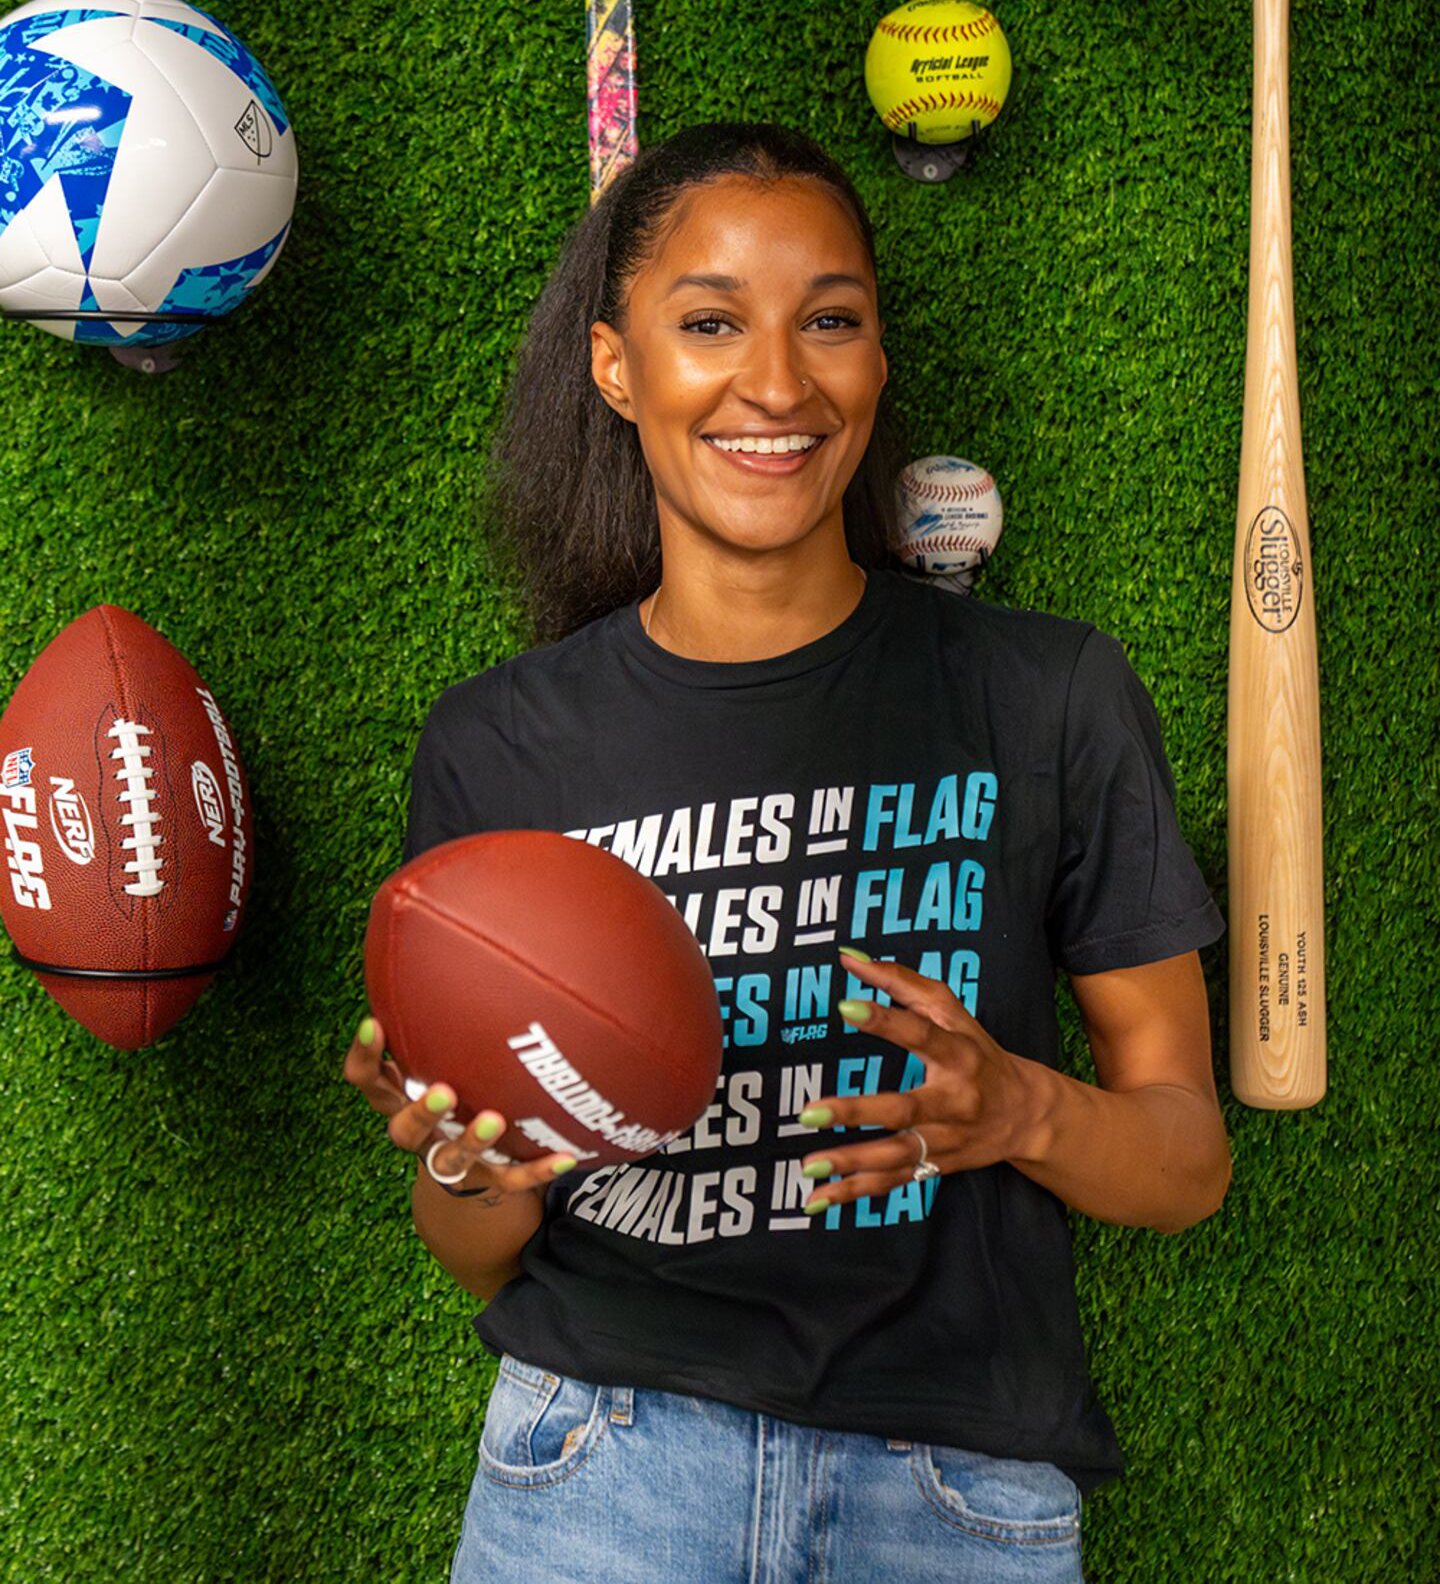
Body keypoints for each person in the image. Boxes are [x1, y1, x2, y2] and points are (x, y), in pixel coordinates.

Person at [343, 121, 1232, 1583]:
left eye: (830, 320)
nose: (776, 383)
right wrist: (473, 1162)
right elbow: (477, 1245)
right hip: (600, 1473)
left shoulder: (1045, 694)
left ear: (876, 361)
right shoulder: (498, 744)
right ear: (616, 366)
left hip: (955, 1499)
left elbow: (1186, 1161)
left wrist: (1022, 1110)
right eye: (710, 323)